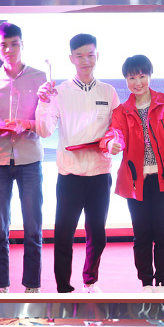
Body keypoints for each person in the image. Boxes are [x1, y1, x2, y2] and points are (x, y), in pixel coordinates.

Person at [35, 33, 120, 293]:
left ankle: (90, 281)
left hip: (99, 173)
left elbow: (116, 129)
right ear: (71, 58)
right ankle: (63, 286)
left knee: (98, 234)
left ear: (97, 56)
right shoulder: (58, 92)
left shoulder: (108, 91)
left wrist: (113, 142)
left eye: (90, 55)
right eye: (80, 56)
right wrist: (43, 102)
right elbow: (44, 131)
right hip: (69, 174)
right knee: (63, 234)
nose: (86, 61)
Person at [108, 54, 164, 293]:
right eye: (131, 78)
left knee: (163, 233)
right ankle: (146, 282)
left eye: (142, 76)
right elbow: (115, 133)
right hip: (136, 181)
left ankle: (162, 282)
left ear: (150, 76)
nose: (137, 82)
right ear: (126, 80)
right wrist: (112, 143)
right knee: (141, 234)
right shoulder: (122, 111)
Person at [0, 22, 48, 294]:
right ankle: (1, 285)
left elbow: (46, 121)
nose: (9, 49)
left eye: (14, 44)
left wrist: (26, 124)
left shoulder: (40, 78)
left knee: (33, 227)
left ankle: (32, 286)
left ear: (22, 45)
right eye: (3, 45)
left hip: (30, 159)